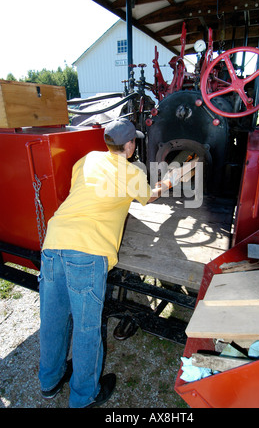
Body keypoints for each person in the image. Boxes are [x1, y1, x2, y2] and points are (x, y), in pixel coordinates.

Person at [38, 118, 177, 408]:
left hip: (53, 243)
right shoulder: (132, 172)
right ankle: (83, 397)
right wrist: (169, 180)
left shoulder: (87, 160)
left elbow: (88, 191)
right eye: (134, 142)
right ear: (129, 146)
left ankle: (49, 381)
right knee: (87, 328)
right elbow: (148, 197)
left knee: (53, 320)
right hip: (87, 254)